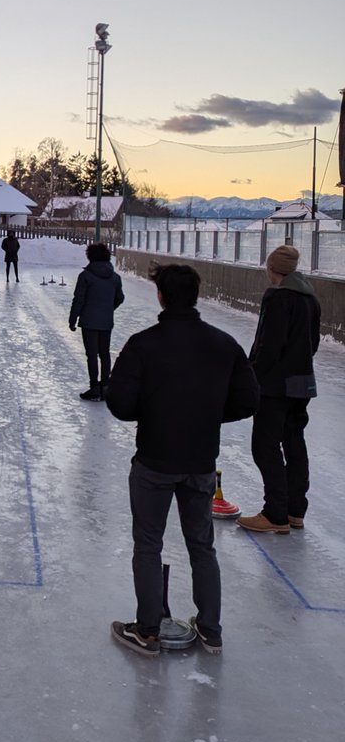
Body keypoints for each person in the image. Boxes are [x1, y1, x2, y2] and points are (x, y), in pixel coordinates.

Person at [106, 264, 259, 657]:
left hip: (155, 460)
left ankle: (148, 631)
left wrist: (157, 410)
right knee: (202, 545)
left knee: (148, 545)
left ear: (161, 296)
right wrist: (206, 413)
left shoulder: (143, 344)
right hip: (200, 461)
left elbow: (120, 403)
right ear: (196, 295)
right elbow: (247, 399)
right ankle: (210, 629)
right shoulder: (223, 344)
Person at [237, 245, 321, 534]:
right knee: (294, 441)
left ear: (272, 269)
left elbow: (268, 345)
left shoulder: (278, 298)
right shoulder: (311, 299)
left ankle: (275, 512)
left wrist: (252, 375)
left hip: (275, 386)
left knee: (265, 445)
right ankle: (295, 510)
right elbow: (314, 343)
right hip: (302, 382)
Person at [68, 242, 125, 401]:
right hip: (106, 322)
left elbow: (78, 300)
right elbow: (120, 298)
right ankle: (105, 386)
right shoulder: (115, 277)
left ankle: (94, 387)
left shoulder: (85, 276)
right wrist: (109, 308)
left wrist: (73, 319)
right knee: (104, 353)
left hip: (88, 322)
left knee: (92, 354)